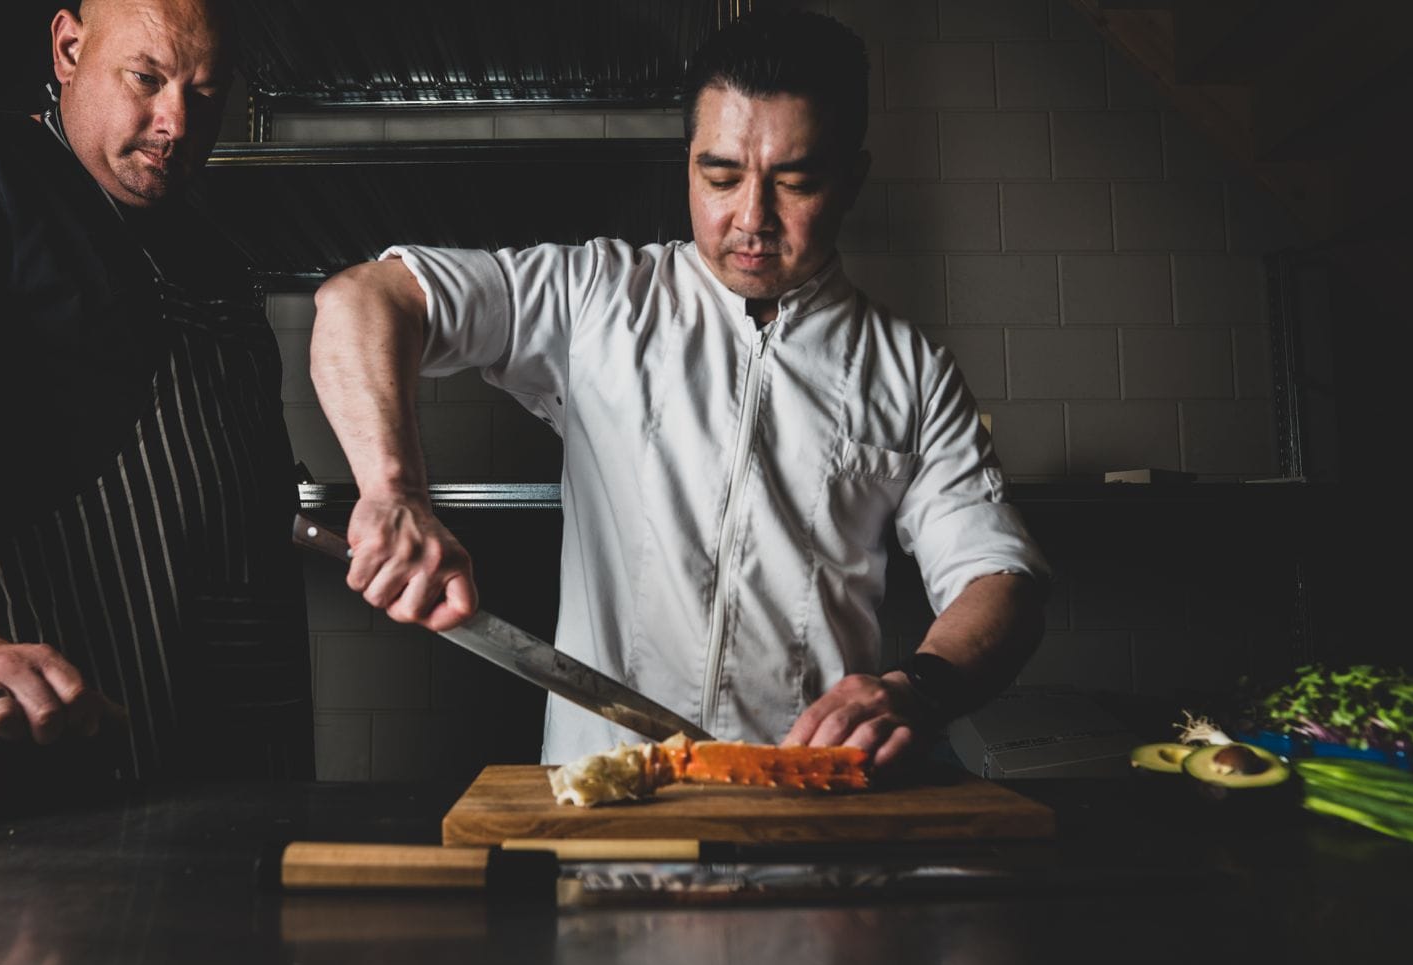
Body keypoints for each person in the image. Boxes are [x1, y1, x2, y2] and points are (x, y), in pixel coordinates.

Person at [309, 10, 1050, 769]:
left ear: (851, 180)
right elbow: (365, 300)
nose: (751, 218)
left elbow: (1001, 576)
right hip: (608, 798)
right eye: (721, 175)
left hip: (801, 806)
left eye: (795, 181)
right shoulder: (593, 298)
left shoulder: (909, 370)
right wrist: (393, 489)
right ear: (688, 162)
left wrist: (916, 688)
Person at [0, 0, 312, 779]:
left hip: (238, 752)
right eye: (146, 78)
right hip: (61, 741)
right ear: (70, 49)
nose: (176, 123)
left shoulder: (210, 252)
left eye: (207, 93)